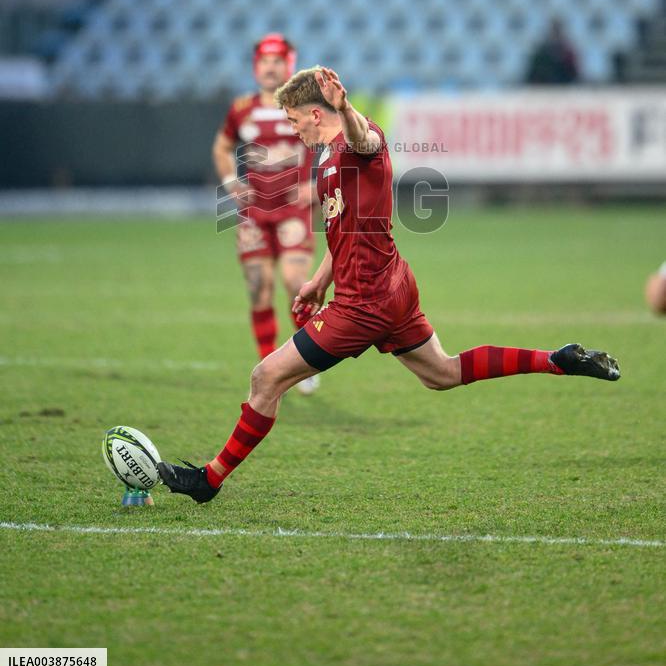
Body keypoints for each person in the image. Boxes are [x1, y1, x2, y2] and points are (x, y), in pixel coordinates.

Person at [159, 66, 620, 503]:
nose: (292, 128)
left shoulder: (361, 142)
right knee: (443, 373)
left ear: (317, 113)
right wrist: (320, 280)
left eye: (294, 119)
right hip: (392, 285)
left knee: (266, 378)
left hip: (364, 304)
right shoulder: (325, 161)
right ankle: (556, 361)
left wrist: (350, 109)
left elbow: (364, 137)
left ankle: (209, 479)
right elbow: (344, 229)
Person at [212, 33, 319, 394]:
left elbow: (337, 143)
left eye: (277, 61)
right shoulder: (241, 108)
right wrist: (230, 182)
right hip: (254, 213)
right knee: (259, 288)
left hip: (293, 210)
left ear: (290, 65)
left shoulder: (306, 106)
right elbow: (223, 146)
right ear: (255, 67)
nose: (270, 67)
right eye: (264, 61)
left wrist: (316, 184)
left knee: (294, 285)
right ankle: (268, 365)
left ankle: (305, 362)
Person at [525, 18, 579, 85]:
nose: (555, 35)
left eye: (557, 31)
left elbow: (574, 76)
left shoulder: (568, 53)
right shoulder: (541, 53)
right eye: (553, 31)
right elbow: (533, 76)